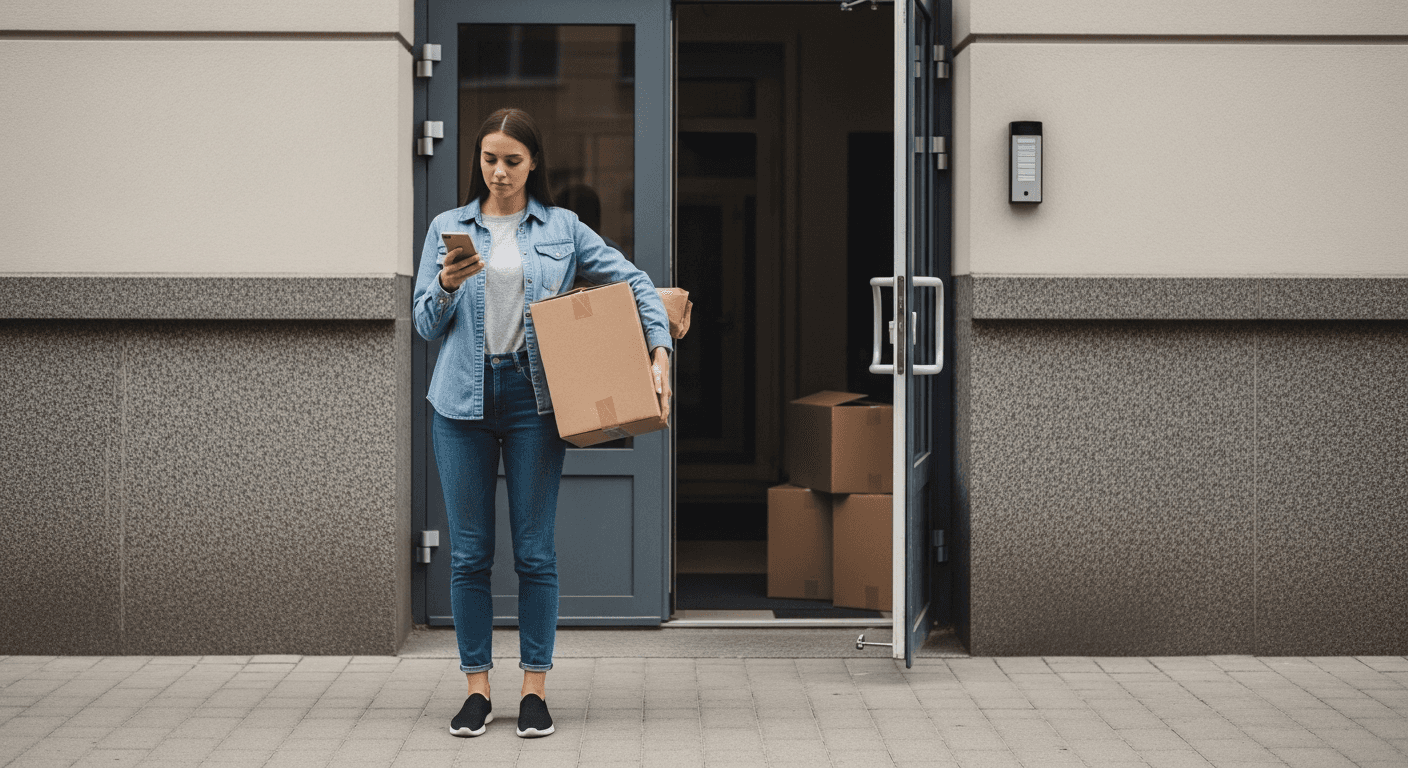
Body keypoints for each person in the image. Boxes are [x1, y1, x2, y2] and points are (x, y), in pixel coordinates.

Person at [412, 107, 674, 739]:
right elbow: (423, 323)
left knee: (534, 552)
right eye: (488, 159)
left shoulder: (563, 228)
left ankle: (534, 690)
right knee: (470, 554)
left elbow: (635, 282)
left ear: (533, 165)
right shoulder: (448, 227)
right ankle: (477, 690)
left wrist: (658, 349)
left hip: (534, 400)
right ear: (477, 161)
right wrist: (446, 285)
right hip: (460, 402)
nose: (498, 173)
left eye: (511, 161)